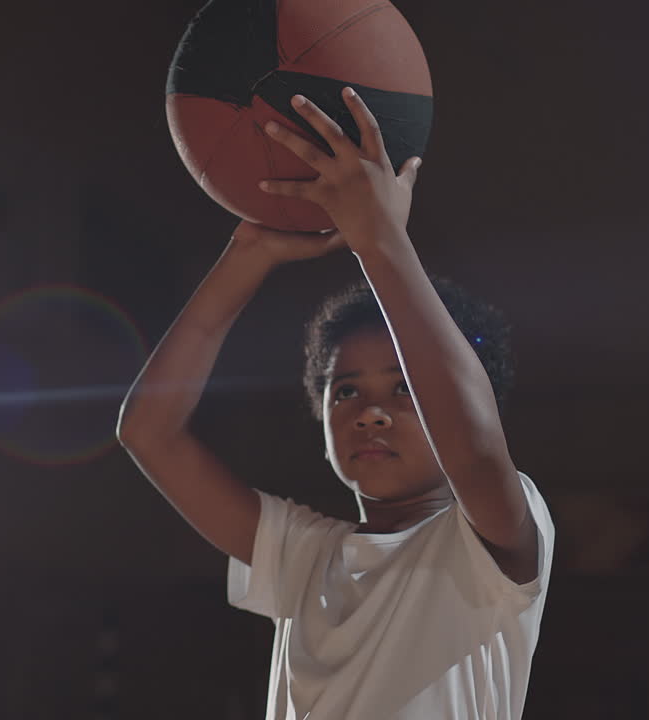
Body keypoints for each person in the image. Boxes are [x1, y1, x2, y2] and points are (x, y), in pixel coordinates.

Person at [117, 87, 554, 719]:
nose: (370, 412)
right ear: (319, 415)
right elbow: (147, 432)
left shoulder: (493, 545)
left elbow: (476, 446)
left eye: (405, 387)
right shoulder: (303, 556)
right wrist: (249, 255)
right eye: (345, 389)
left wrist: (380, 243)